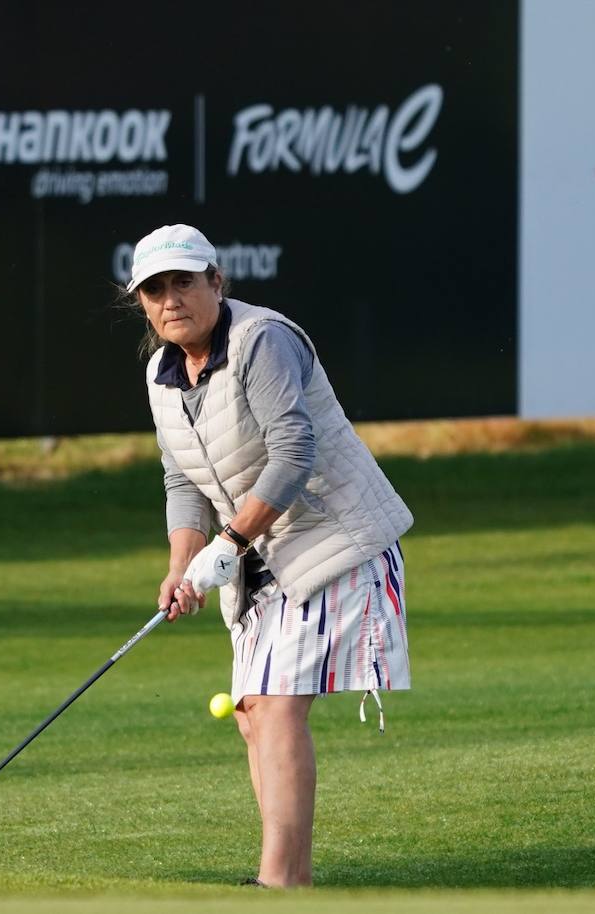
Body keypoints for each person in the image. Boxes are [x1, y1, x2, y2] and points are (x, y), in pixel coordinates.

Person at [125, 224, 414, 888]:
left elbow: (295, 452)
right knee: (254, 714)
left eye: (184, 283)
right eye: (155, 290)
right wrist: (181, 565)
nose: (172, 300)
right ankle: (296, 885)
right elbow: (183, 481)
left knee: (278, 705)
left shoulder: (262, 341)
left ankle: (276, 884)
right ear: (141, 302)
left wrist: (229, 542)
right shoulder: (160, 374)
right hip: (263, 557)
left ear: (215, 282)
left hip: (335, 541)